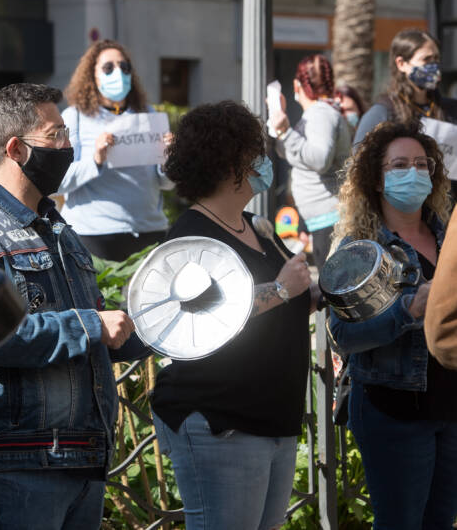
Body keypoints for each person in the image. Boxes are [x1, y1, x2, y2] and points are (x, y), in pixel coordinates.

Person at [0, 83, 146, 530]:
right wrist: (90, 326)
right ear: (15, 149)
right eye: (56, 135)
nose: (68, 146)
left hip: (80, 460)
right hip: (15, 466)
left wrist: (162, 328)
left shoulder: (59, 229)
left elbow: (94, 335)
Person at [151, 101, 316, 530]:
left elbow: (293, 293)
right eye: (254, 151)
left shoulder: (257, 226)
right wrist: (281, 290)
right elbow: (196, 315)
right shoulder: (192, 234)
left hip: (272, 421)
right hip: (222, 422)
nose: (264, 161)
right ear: (229, 161)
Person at [328, 122, 457, 529]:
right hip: (393, 412)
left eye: (422, 164)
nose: (413, 173)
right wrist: (408, 310)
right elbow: (344, 336)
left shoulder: (448, 235)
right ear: (378, 179)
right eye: (399, 164)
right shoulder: (360, 249)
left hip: (450, 409)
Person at [58, 40, 173, 261]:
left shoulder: (148, 114)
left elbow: (166, 184)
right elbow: (57, 182)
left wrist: (168, 160)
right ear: (92, 75)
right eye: (108, 67)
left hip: (150, 231)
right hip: (95, 236)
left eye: (124, 66)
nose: (118, 72)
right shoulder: (76, 117)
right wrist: (95, 161)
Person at [268, 54, 351, 268]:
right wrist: (281, 122)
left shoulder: (320, 114)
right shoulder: (318, 113)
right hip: (323, 219)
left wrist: (286, 133)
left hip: (329, 219)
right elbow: (292, 153)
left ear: (297, 84)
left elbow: (320, 159)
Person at [354, 28, 457, 145]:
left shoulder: (451, 110)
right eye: (426, 59)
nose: (433, 65)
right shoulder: (382, 113)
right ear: (401, 64)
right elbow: (360, 159)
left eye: (436, 58)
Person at [426, 211, 457, 369]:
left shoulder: (442, 230)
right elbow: (343, 332)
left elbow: (443, 337)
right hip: (390, 390)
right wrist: (408, 309)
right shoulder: (360, 243)